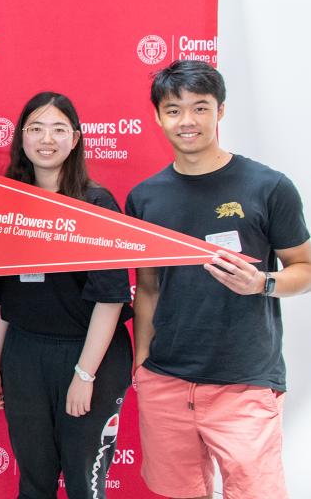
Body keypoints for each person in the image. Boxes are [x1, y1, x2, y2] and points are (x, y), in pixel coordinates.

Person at [127, 60, 311, 499]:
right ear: (157, 116)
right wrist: (143, 364)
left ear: (220, 111)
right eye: (174, 110)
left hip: (245, 382)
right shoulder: (145, 197)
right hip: (167, 381)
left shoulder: (267, 186)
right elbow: (148, 288)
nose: (186, 121)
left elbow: (304, 270)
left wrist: (262, 283)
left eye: (200, 108)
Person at [0, 92, 132, 499]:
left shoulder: (96, 204)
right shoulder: (7, 204)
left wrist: (84, 376)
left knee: (86, 483)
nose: (47, 139)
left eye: (59, 129)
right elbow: (1, 300)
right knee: (33, 482)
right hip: (25, 355)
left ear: (76, 138)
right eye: (36, 128)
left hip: (88, 357)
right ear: (21, 138)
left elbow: (111, 299)